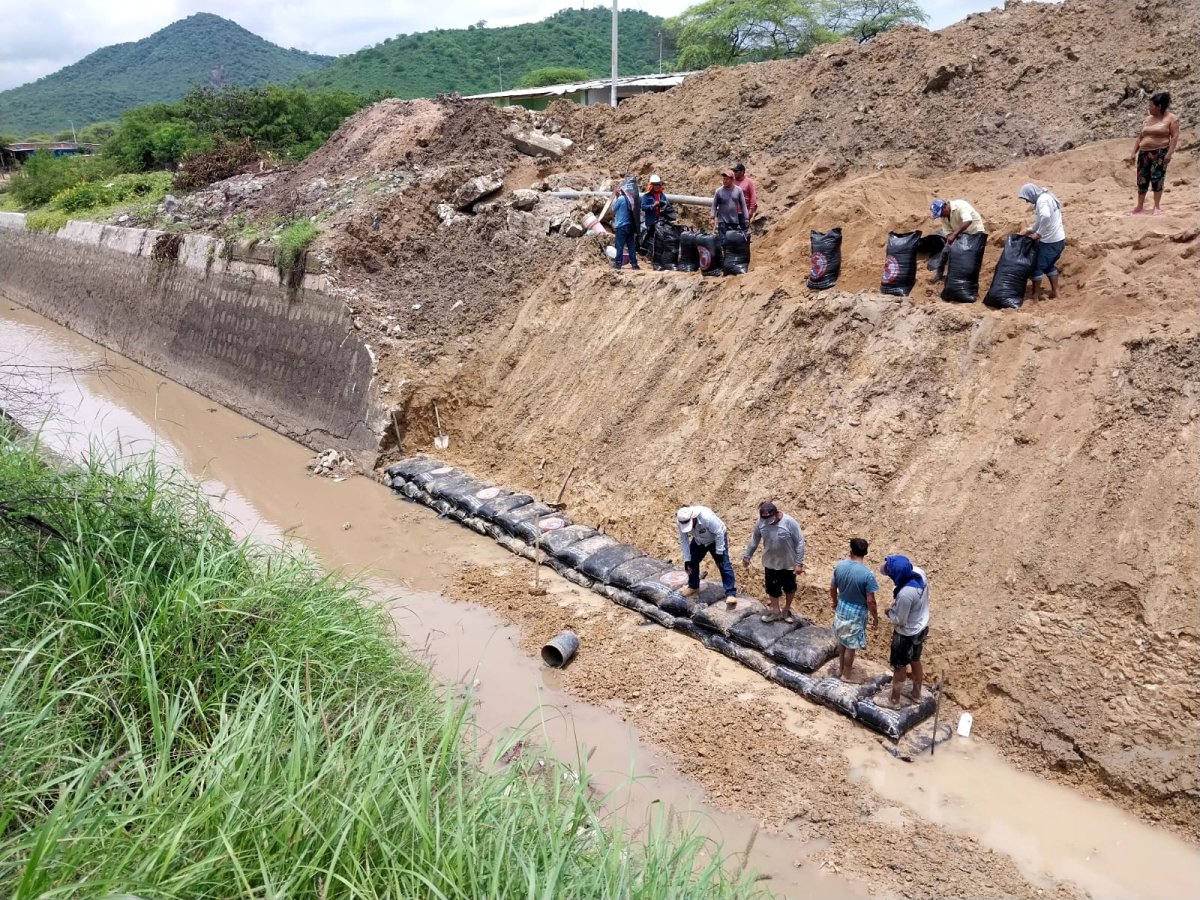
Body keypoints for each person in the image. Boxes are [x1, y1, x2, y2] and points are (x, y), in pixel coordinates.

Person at [880, 554, 930, 708]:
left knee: (900, 665)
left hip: (906, 633)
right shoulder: (918, 573)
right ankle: (916, 693)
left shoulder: (906, 594)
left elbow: (900, 620)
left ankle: (894, 700)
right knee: (915, 660)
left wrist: (889, 612)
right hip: (921, 625)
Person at [742, 501, 805, 623]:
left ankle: (786, 609)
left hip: (788, 563)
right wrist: (747, 556)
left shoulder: (789, 522)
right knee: (772, 588)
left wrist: (799, 563)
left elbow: (800, 542)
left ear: (776, 514)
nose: (768, 522)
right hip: (770, 562)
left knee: (790, 588)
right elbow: (755, 539)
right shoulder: (761, 522)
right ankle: (775, 611)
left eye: (770, 519)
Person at [829, 537, 879, 680]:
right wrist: (875, 617)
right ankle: (846, 675)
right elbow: (870, 601)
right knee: (851, 645)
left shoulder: (840, 566)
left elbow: (833, 587)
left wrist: (834, 602)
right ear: (865, 553)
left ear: (851, 550)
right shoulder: (868, 575)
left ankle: (840, 669)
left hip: (842, 606)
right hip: (857, 611)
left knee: (842, 642)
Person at [1129, 92, 1180, 216]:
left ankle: (1156, 207)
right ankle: (1139, 206)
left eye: (1151, 105)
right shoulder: (1148, 119)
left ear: (1159, 106)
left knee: (1157, 178)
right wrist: (1133, 153)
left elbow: (1174, 137)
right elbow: (1139, 137)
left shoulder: (1171, 118)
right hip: (1144, 153)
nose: (1149, 108)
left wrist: (1169, 154)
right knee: (1142, 179)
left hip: (1160, 152)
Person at [677, 505, 737, 606]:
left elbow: (719, 533)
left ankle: (730, 593)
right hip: (699, 541)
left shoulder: (706, 518)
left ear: (693, 518)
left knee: (723, 564)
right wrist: (687, 559)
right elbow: (684, 540)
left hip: (715, 539)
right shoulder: (681, 521)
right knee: (691, 563)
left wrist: (719, 552)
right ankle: (693, 586)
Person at [1018, 183, 1065, 302]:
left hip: (1050, 241)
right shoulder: (1047, 197)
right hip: (1059, 240)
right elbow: (1041, 220)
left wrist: (1039, 234)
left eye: (1026, 199)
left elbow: (1045, 217)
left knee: (1036, 268)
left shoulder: (1042, 200)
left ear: (1031, 194)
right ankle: (1056, 292)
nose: (1027, 202)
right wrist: (1030, 230)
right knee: (1049, 266)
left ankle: (1035, 296)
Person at [929, 198, 985, 282]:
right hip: (960, 233)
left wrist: (954, 234)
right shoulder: (944, 216)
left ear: (944, 207)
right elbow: (947, 231)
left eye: (941, 213)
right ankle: (938, 275)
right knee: (945, 251)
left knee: (970, 256)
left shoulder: (961, 205)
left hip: (974, 231)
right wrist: (950, 238)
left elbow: (968, 221)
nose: (941, 216)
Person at [710, 170, 749, 248]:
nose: (724, 181)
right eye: (724, 179)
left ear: (732, 180)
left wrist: (746, 218)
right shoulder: (719, 191)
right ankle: (725, 258)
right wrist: (712, 218)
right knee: (724, 243)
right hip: (722, 221)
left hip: (734, 221)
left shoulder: (738, 191)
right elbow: (714, 205)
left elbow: (743, 205)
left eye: (727, 179)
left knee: (733, 243)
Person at [611, 186, 639, 270]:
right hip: (630, 225)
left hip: (621, 226)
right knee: (631, 245)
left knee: (619, 246)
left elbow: (613, 209)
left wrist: (616, 197)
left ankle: (618, 264)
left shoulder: (621, 199)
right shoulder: (631, 198)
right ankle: (634, 264)